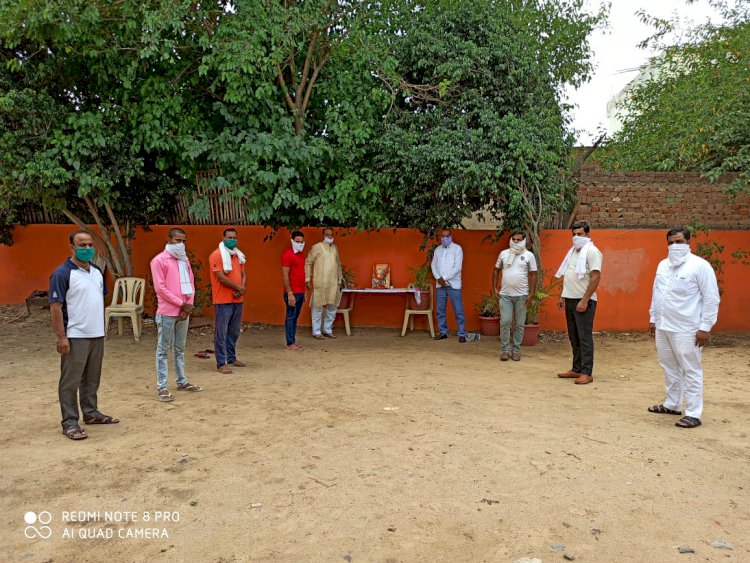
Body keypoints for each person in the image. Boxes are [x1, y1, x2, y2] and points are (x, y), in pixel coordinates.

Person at [49, 230, 119, 440]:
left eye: (90, 245)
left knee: (91, 377)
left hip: (96, 333)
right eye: (82, 245)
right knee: (70, 380)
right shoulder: (62, 273)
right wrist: (61, 337)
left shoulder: (97, 271)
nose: (87, 249)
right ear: (72, 248)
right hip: (75, 335)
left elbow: (97, 299)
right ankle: (69, 422)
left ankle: (91, 413)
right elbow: (55, 306)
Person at [647, 227, 720, 429]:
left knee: (690, 369)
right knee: (668, 366)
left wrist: (705, 327)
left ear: (688, 242)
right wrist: (653, 318)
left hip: (687, 328)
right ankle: (672, 404)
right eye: (671, 242)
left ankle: (694, 413)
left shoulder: (700, 266)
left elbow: (711, 298)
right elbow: (657, 292)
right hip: (663, 325)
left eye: (679, 242)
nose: (675, 246)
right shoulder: (663, 265)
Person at [150, 228, 204, 401]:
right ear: (169, 240)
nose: (180, 244)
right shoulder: (159, 261)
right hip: (167, 312)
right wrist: (182, 304)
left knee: (179, 348)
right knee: (163, 350)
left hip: (183, 311)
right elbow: (160, 289)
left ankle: (182, 381)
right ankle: (162, 387)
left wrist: (188, 305)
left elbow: (191, 284)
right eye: (177, 240)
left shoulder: (184, 260)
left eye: (183, 241)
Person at [555, 221, 602, 385]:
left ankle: (587, 372)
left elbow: (596, 277)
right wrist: (562, 295)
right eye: (574, 234)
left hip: (584, 301)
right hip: (570, 298)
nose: (576, 237)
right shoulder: (573, 252)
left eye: (580, 234)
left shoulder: (593, 252)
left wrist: (585, 299)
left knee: (585, 338)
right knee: (574, 336)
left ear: (588, 234)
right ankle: (576, 369)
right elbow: (568, 274)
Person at [492, 231, 538, 361]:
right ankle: (505, 350)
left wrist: (532, 294)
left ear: (524, 241)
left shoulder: (529, 255)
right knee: (505, 321)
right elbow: (496, 270)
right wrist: (494, 287)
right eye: (514, 239)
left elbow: (534, 274)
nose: (516, 242)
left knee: (519, 324)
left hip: (522, 296)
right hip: (505, 295)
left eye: (519, 240)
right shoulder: (504, 253)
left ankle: (516, 350)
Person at [208, 228, 247, 374]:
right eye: (230, 237)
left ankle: (231, 357)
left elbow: (244, 273)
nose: (233, 240)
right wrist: (239, 287)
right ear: (223, 238)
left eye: (235, 237)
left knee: (234, 331)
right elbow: (221, 277)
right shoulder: (216, 255)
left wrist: (241, 288)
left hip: (237, 299)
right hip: (222, 300)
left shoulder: (239, 255)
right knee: (221, 332)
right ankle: (221, 363)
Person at [305, 227, 343, 339]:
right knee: (317, 307)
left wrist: (340, 279)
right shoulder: (317, 247)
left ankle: (327, 329)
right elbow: (308, 263)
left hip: (333, 283)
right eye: (327, 234)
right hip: (320, 282)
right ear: (323, 235)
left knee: (332, 307)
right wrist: (308, 279)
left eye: (331, 235)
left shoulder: (335, 248)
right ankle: (316, 332)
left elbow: (338, 264)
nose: (329, 236)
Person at [431, 228, 467, 343]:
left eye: (447, 236)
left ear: (451, 236)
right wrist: (438, 278)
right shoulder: (438, 250)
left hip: (454, 285)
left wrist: (444, 278)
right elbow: (433, 265)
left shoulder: (457, 249)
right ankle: (443, 332)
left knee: (458, 310)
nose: (444, 239)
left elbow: (457, 268)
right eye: (442, 237)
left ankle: (461, 333)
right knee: (440, 310)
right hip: (440, 285)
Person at [282, 230, 307, 350]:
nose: (300, 244)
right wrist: (289, 292)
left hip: (300, 291)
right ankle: (290, 342)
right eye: (297, 241)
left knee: (295, 317)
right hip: (292, 292)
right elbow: (285, 275)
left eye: (302, 242)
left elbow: (301, 274)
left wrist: (304, 292)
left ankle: (293, 340)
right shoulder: (287, 254)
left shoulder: (301, 255)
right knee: (291, 316)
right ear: (292, 241)